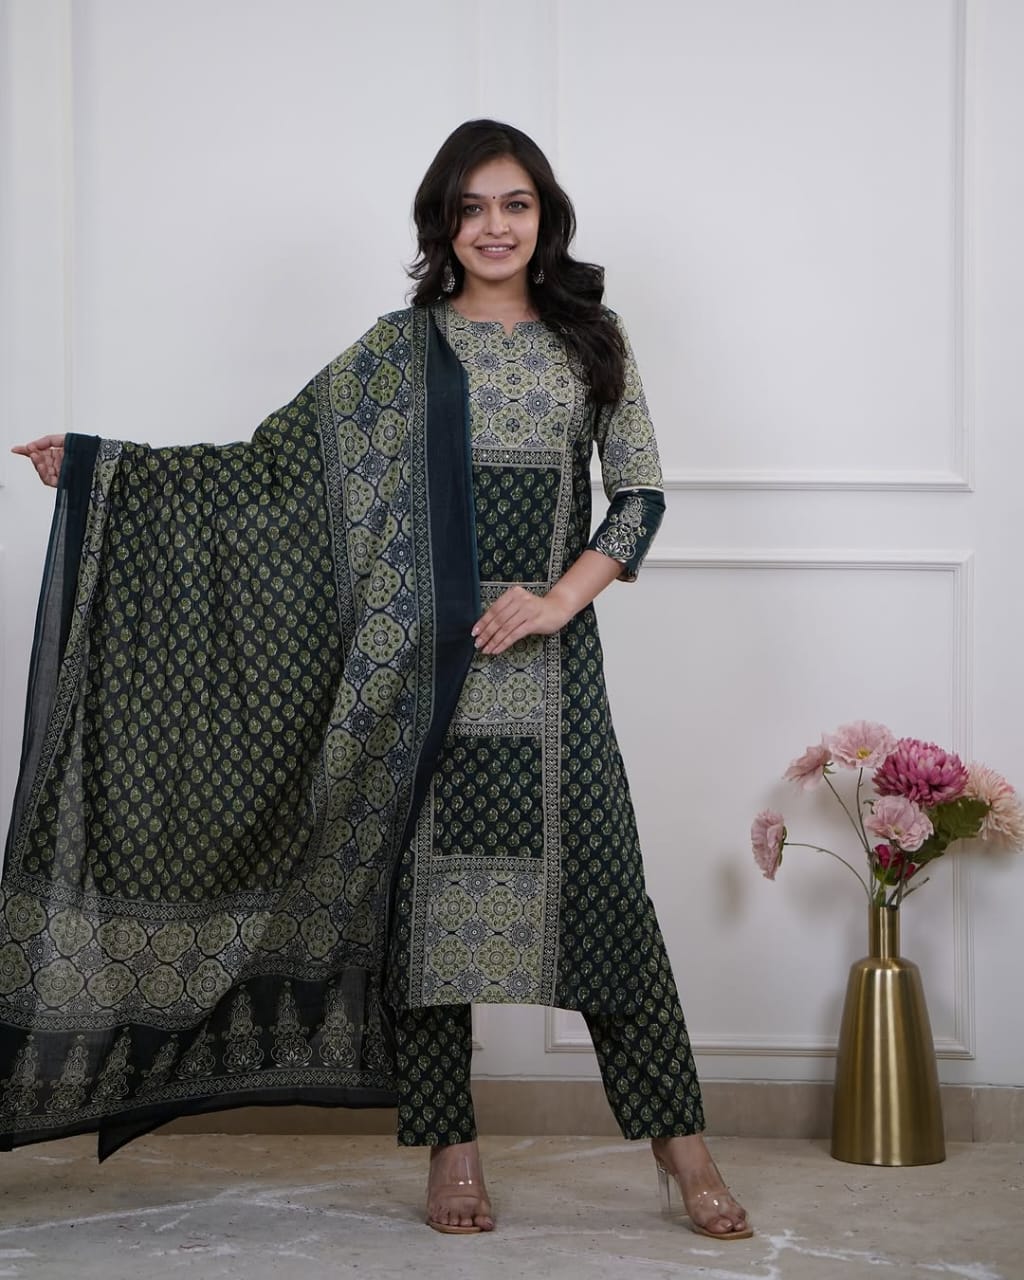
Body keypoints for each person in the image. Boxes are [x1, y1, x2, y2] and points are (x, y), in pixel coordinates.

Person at [7, 120, 751, 1241]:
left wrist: (558, 598)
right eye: (470, 207)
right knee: (430, 923)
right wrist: (109, 472)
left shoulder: (591, 341)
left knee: (606, 914)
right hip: (420, 680)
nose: (493, 227)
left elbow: (639, 494)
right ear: (442, 224)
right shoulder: (401, 349)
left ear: (544, 218)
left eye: (514, 205)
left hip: (551, 678)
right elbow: (268, 476)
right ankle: (453, 1150)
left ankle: (683, 1151)